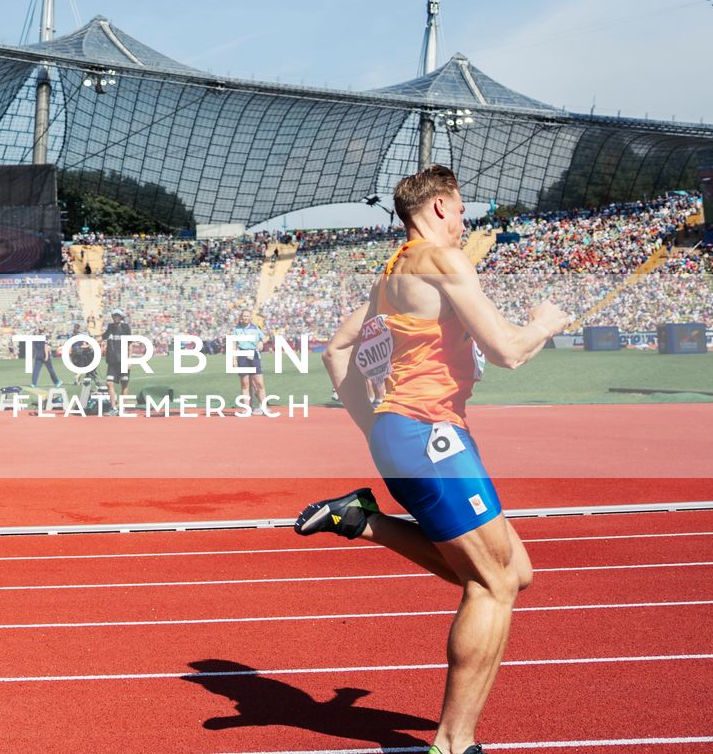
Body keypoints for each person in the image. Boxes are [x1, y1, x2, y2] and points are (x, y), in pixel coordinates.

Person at [294, 166, 571, 754]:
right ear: (442, 206)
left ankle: (362, 520)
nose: (466, 221)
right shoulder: (445, 261)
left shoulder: (394, 271)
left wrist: (376, 427)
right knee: (492, 585)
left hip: (413, 435)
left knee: (513, 573)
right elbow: (507, 352)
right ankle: (452, 743)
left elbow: (336, 351)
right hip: (429, 436)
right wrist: (545, 324)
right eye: (463, 209)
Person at [230, 306, 267, 416]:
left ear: (250, 317)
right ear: (241, 317)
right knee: (245, 384)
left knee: (259, 383)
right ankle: (247, 408)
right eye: (244, 316)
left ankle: (263, 407)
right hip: (242, 355)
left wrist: (261, 342)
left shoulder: (255, 328)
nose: (246, 318)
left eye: (247, 316)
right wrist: (234, 359)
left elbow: (264, 338)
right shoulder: (237, 330)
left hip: (254, 355)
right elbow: (234, 344)